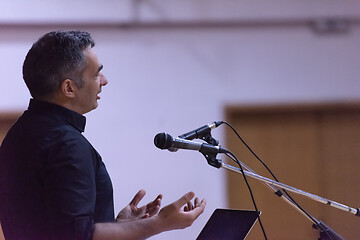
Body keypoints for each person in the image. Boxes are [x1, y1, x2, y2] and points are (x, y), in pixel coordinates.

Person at [0, 30, 206, 240]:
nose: (104, 80)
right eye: (97, 74)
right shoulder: (67, 143)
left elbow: (51, 225)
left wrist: (118, 225)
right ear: (69, 88)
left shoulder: (17, 135)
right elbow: (77, 235)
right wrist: (160, 223)